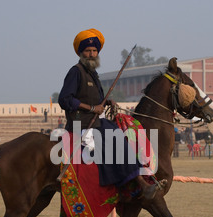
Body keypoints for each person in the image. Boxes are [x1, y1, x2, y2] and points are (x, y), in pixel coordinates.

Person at [58, 28, 162, 200]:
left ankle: (132, 182)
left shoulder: (93, 74)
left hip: (96, 120)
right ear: (81, 53)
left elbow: (96, 100)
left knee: (122, 133)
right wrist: (92, 109)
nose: (91, 54)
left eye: (94, 51)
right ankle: (138, 184)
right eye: (87, 51)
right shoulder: (75, 72)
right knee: (116, 139)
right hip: (82, 123)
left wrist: (106, 102)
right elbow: (65, 99)